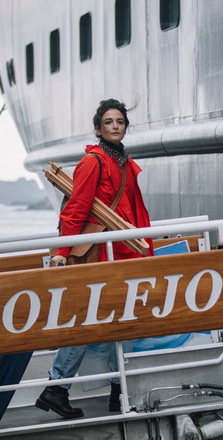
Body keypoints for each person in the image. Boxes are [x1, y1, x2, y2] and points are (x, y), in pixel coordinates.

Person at [36, 98, 154, 419]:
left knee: (123, 322)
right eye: (108, 122)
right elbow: (75, 209)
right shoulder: (94, 162)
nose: (115, 126)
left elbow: (135, 212)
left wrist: (147, 249)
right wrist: (62, 253)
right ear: (98, 129)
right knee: (90, 320)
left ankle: (118, 392)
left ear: (125, 127)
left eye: (120, 121)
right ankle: (56, 387)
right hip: (101, 254)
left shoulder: (123, 162)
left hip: (123, 253)